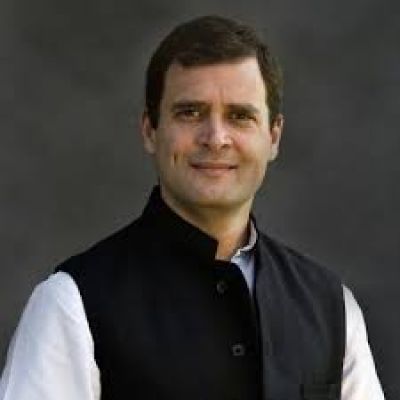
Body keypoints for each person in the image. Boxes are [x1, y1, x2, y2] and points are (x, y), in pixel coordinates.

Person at [0, 15, 385, 400]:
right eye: (190, 112)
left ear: (273, 137)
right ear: (150, 130)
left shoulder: (332, 307)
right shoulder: (73, 303)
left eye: (240, 116)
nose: (216, 138)